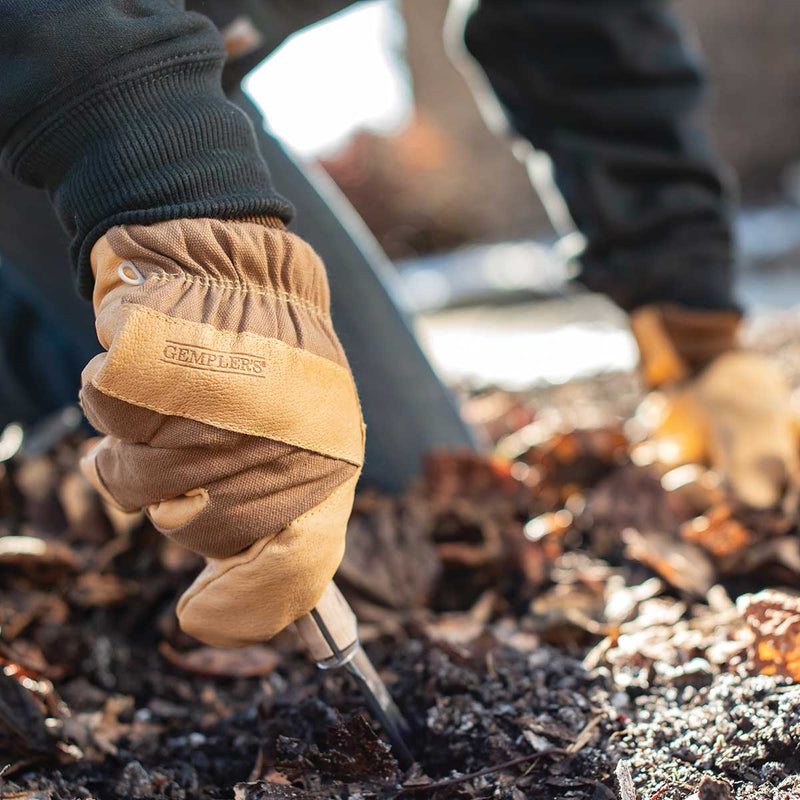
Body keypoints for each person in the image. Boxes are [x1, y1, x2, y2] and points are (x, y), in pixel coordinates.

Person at [0, 1, 795, 650]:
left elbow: (583, 28)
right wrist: (182, 229)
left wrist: (689, 321)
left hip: (159, 74)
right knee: (273, 471)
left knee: (376, 495)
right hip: (52, 81)